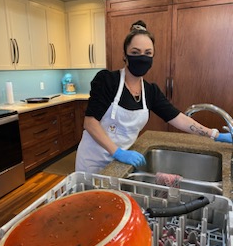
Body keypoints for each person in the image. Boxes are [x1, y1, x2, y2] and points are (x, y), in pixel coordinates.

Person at [75, 20, 231, 174]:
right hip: (93, 161)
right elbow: (90, 122)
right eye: (135, 52)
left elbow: (179, 119)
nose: (142, 58)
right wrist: (117, 152)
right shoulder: (107, 80)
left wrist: (215, 135)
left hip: (122, 164)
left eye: (148, 53)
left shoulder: (150, 92)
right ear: (125, 55)